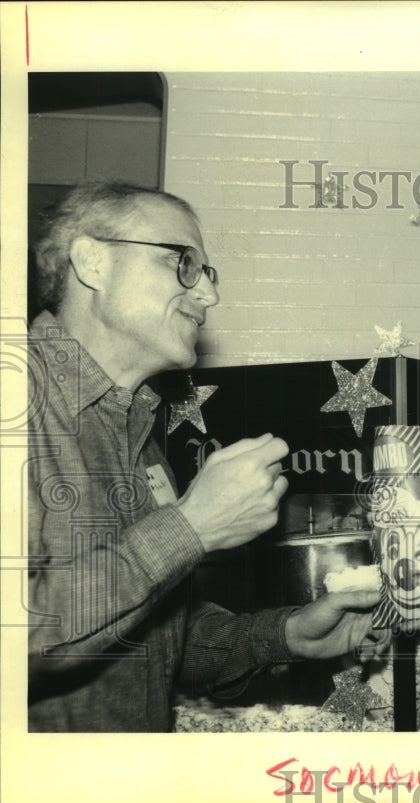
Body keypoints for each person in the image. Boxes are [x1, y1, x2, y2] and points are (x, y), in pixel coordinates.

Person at [26, 181, 380, 732]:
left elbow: (160, 636)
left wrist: (289, 634)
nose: (208, 297)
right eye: (183, 263)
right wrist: (189, 527)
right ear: (92, 262)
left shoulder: (138, 425)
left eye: (207, 273)